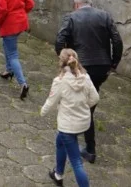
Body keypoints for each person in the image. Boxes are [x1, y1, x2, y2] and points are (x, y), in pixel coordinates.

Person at [55, 0, 123, 165]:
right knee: (88, 103)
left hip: (80, 65)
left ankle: (86, 147)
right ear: (90, 4)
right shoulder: (105, 16)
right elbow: (117, 40)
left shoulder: (70, 17)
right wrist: (114, 63)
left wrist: (64, 61)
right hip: (101, 67)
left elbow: (60, 39)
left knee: (80, 106)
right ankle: (85, 145)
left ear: (77, 5)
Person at [41, 49, 99, 187]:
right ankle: (58, 174)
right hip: (84, 122)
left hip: (68, 126)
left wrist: (42, 112)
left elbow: (51, 101)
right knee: (59, 142)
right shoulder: (86, 77)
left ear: (61, 62)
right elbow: (95, 98)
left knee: (77, 163)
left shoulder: (60, 81)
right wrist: (83, 108)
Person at [0, 0, 33, 99]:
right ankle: (8, 70)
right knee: (8, 45)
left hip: (9, 24)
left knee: (12, 54)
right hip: (21, 22)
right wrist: (21, 13)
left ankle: (23, 83)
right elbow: (30, 4)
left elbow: (2, 9)